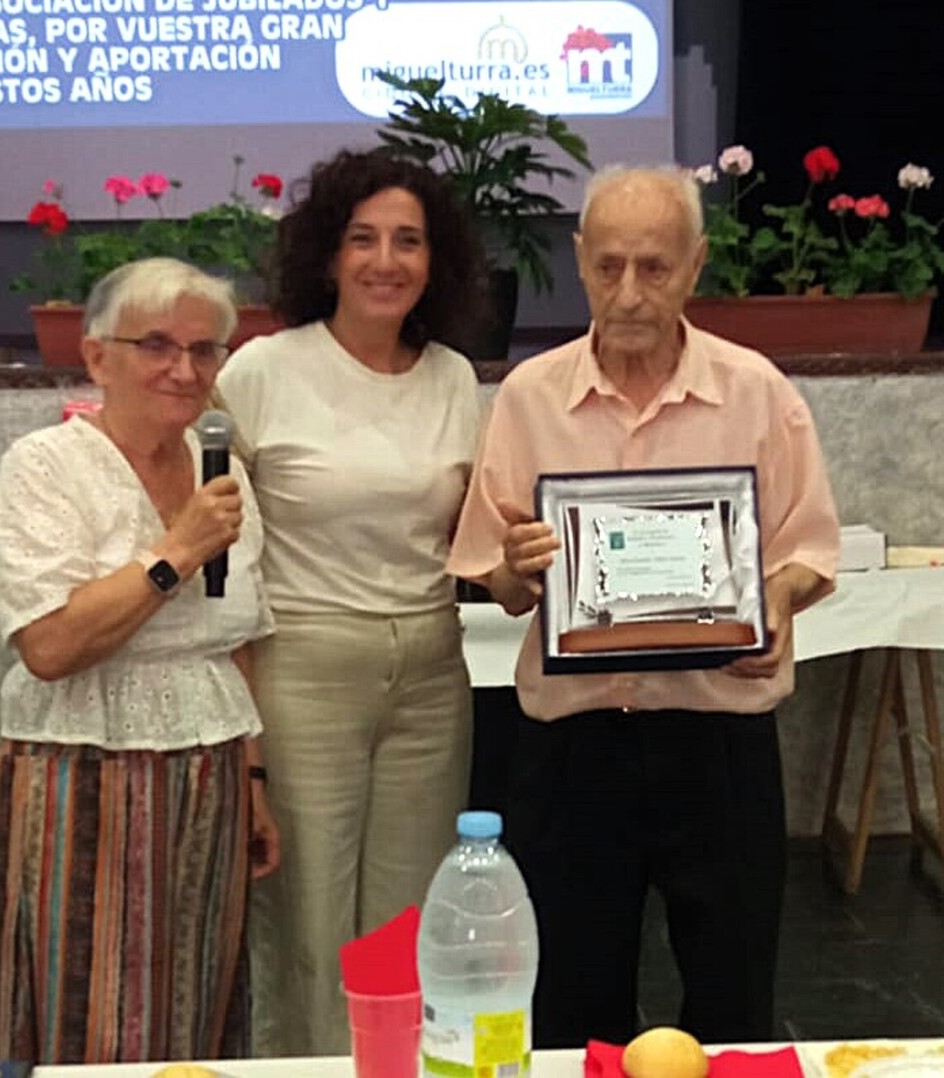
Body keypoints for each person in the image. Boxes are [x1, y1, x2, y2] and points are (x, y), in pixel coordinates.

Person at [447, 166, 841, 1048]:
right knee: (571, 1010)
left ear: (695, 266)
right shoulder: (528, 396)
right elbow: (498, 580)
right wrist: (517, 566)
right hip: (571, 750)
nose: (629, 293)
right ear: (581, 262)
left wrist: (774, 600)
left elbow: (811, 551)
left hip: (718, 745)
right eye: (610, 266)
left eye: (655, 268)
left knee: (735, 997)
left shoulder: (757, 392)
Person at [214, 148, 486, 1056]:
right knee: (311, 919)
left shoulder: (454, 378)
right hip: (305, 666)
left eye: (408, 240)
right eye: (362, 238)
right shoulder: (262, 371)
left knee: (407, 920)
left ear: (434, 260)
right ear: (327, 256)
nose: (385, 260)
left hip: (433, 671)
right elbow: (219, 545)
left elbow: (481, 535)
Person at [0, 257, 280, 1064]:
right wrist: (175, 550)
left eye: (205, 349)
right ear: (97, 356)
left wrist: (253, 779)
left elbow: (233, 635)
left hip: (212, 770)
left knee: (200, 999)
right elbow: (49, 646)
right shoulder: (45, 467)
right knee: (88, 1009)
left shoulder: (225, 472)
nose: (184, 370)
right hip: (83, 775)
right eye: (156, 345)